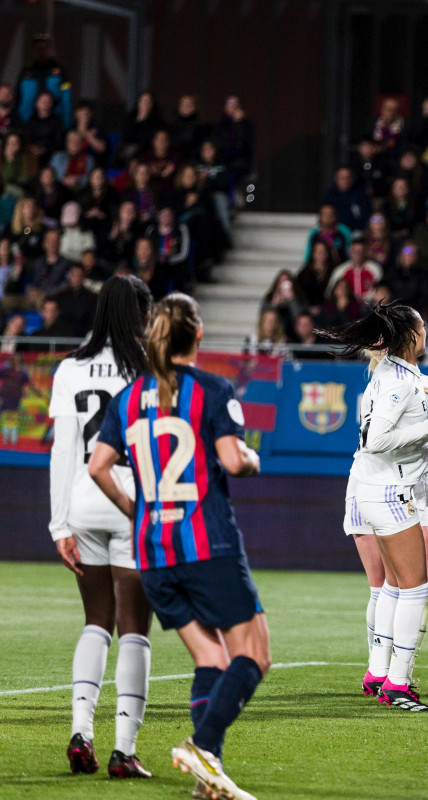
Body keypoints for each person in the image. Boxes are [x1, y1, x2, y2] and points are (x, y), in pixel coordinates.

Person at [88, 293, 268, 800]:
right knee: (254, 655)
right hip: (206, 547)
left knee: (210, 660)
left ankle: (207, 780)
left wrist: (135, 509)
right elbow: (233, 462)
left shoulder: (127, 399)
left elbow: (98, 467)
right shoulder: (212, 390)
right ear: (198, 335)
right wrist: (251, 458)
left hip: (152, 553)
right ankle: (203, 746)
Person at [319, 303, 428, 710]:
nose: (426, 331)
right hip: (389, 489)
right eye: (422, 326)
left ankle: (382, 673)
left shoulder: (404, 377)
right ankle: (398, 684)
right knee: (415, 588)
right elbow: (376, 440)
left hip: (380, 486)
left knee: (396, 587)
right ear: (413, 335)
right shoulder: (399, 382)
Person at [49, 276, 155, 780]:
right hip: (134, 503)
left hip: (84, 504)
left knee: (96, 621)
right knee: (134, 629)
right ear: (141, 314)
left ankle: (80, 731)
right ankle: (124, 750)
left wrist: (58, 524)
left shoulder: (69, 367)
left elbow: (63, 449)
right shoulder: (153, 367)